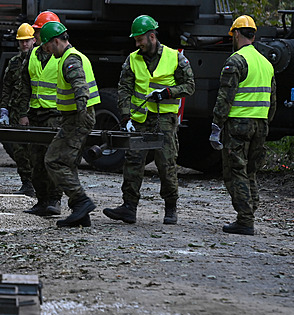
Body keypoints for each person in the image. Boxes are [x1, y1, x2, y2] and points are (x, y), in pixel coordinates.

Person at [103, 15, 195, 225]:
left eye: (140, 40)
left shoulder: (175, 58)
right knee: (133, 161)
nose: (137, 44)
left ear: (151, 36)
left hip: (164, 119)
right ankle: (129, 207)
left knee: (166, 163)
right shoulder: (132, 59)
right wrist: (125, 115)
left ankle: (170, 208)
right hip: (139, 118)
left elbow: (190, 86)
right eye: (135, 40)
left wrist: (168, 92)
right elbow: (124, 89)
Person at [209, 15, 276, 236]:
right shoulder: (266, 63)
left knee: (235, 170)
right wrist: (265, 122)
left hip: (238, 125)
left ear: (236, 34)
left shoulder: (236, 61)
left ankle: (245, 219)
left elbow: (224, 98)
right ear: (254, 35)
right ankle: (250, 209)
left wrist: (216, 127)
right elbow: (272, 101)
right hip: (261, 124)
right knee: (251, 170)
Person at [40, 21, 99, 227]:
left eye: (46, 45)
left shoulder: (70, 60)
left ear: (56, 41)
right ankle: (80, 214)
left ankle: (81, 201)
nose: (45, 50)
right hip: (76, 117)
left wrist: (80, 112)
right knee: (69, 162)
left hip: (77, 117)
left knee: (54, 160)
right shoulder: (72, 56)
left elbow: (80, 85)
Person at [13, 12, 63, 216]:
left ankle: (54, 200)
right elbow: (24, 85)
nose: (36, 34)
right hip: (36, 115)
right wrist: (23, 112)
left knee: (53, 160)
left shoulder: (64, 56)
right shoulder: (33, 55)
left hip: (56, 115)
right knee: (36, 160)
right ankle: (42, 201)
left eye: (38, 31)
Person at [0, 23, 34, 196]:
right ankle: (26, 183)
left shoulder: (38, 61)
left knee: (34, 151)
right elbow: (6, 87)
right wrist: (4, 109)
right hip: (15, 112)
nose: (24, 44)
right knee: (19, 150)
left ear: (34, 40)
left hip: (33, 113)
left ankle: (38, 184)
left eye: (27, 41)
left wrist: (25, 114)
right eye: (21, 42)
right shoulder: (14, 63)